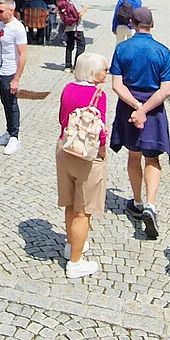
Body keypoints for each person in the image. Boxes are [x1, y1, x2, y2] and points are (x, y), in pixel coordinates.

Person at [108, 6, 170, 240]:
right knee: (152, 157)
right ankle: (151, 205)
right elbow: (166, 89)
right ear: (152, 25)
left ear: (132, 25)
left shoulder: (122, 49)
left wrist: (137, 108)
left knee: (133, 155)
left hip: (129, 106)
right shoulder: (163, 51)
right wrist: (146, 109)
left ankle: (137, 202)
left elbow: (117, 85)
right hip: (154, 109)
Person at [56, 52, 109, 280]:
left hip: (65, 148)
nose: (106, 72)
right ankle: (75, 262)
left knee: (69, 203)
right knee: (83, 210)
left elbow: (62, 118)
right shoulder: (99, 94)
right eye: (104, 69)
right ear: (92, 72)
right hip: (86, 154)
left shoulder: (67, 88)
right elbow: (101, 129)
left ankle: (71, 244)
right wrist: (103, 152)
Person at [0, 0, 28, 155]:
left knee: (12, 103)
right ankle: (9, 131)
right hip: (0, 69)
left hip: (10, 70)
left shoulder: (17, 28)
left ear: (11, 11)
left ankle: (14, 137)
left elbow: (23, 55)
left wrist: (16, 79)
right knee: (4, 102)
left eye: (1, 11)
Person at [57, 0, 87, 70]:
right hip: (77, 27)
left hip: (68, 26)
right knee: (81, 45)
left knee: (69, 46)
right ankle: (77, 65)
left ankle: (68, 65)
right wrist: (85, 9)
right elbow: (79, 14)